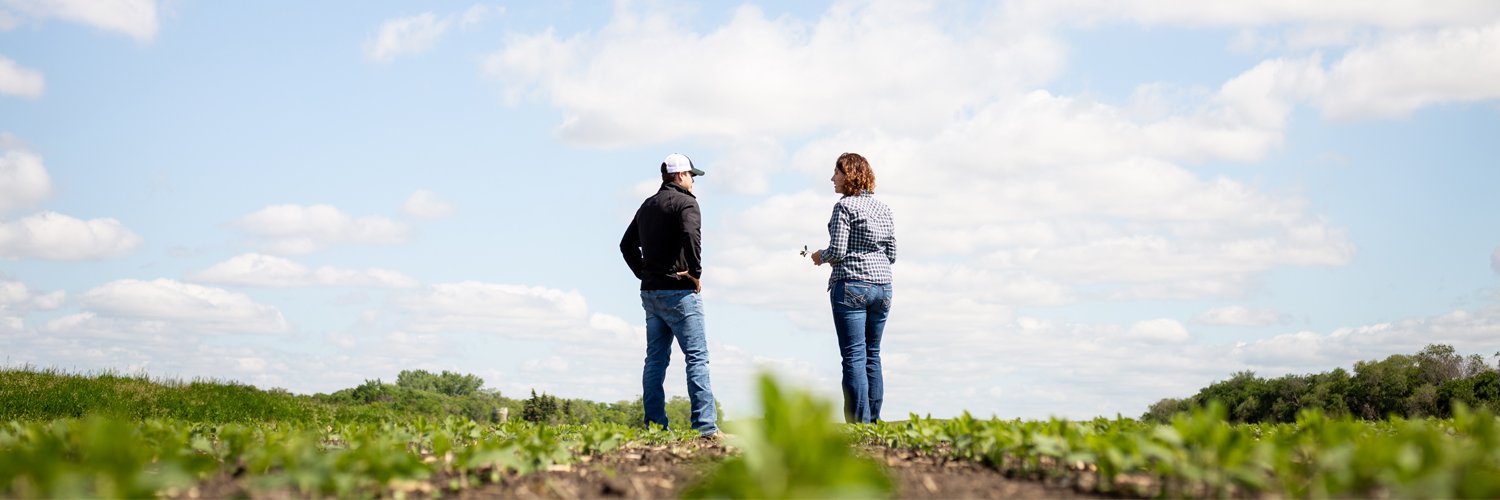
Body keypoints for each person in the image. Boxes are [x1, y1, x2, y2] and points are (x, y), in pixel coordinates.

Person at [619, 153, 720, 437]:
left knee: (655, 360)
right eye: (691, 176)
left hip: (651, 292)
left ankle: (654, 426)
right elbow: (691, 236)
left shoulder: (647, 204)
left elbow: (626, 245)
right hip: (679, 293)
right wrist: (695, 272)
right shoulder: (687, 203)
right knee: (697, 358)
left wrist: (644, 273)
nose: (693, 181)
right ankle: (705, 427)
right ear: (679, 176)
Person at [810, 152, 896, 424]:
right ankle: (874, 419)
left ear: (850, 176)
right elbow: (892, 253)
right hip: (883, 287)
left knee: (854, 356)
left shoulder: (844, 207)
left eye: (836, 172)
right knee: (873, 353)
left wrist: (820, 256)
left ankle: (858, 423)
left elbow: (837, 250)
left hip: (852, 285)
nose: (832, 178)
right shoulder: (884, 209)